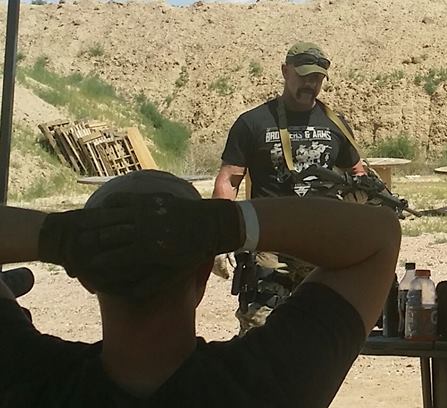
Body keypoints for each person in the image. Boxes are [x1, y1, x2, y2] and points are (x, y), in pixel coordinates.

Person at [0, 170, 401, 407]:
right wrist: (223, 224)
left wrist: (62, 235)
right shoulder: (266, 384)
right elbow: (378, 236)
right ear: (205, 273)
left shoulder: (31, 380)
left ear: (85, 277)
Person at [212, 41, 367, 333]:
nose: (310, 84)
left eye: (317, 78)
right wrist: (220, 236)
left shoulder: (335, 123)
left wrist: (361, 200)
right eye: (304, 76)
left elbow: (357, 173)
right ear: (285, 71)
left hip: (321, 247)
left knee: (320, 330)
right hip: (268, 246)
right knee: (260, 329)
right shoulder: (253, 123)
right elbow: (230, 179)